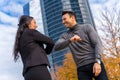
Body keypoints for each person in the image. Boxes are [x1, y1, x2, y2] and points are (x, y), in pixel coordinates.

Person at [54, 11, 108, 80]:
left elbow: (98, 44)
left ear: (72, 18)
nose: (63, 22)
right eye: (62, 20)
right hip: (81, 69)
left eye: (64, 19)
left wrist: (97, 61)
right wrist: (70, 40)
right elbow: (56, 47)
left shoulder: (86, 27)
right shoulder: (65, 36)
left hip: (94, 63)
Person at [13, 15, 54, 80]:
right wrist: (46, 52)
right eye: (34, 23)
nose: (36, 25)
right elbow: (51, 42)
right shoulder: (30, 32)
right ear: (28, 23)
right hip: (39, 70)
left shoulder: (19, 39)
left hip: (27, 74)